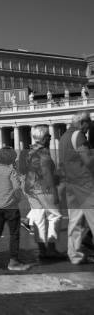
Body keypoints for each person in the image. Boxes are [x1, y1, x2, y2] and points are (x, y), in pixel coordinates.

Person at [0, 147, 31, 271]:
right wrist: (17, 199)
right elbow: (17, 188)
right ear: (12, 159)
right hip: (11, 207)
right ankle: (13, 261)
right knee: (14, 234)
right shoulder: (11, 172)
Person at [22, 125, 64, 260]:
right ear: (45, 138)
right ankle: (51, 248)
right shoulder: (44, 154)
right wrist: (55, 193)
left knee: (38, 219)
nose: (51, 138)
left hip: (30, 188)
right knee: (55, 216)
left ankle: (42, 250)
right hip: (43, 188)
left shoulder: (30, 151)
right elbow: (47, 176)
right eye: (49, 136)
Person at [59, 111, 94, 264]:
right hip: (85, 185)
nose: (89, 128)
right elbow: (88, 160)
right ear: (82, 123)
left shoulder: (63, 137)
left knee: (75, 221)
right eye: (88, 124)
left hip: (71, 184)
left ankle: (75, 255)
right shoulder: (78, 135)